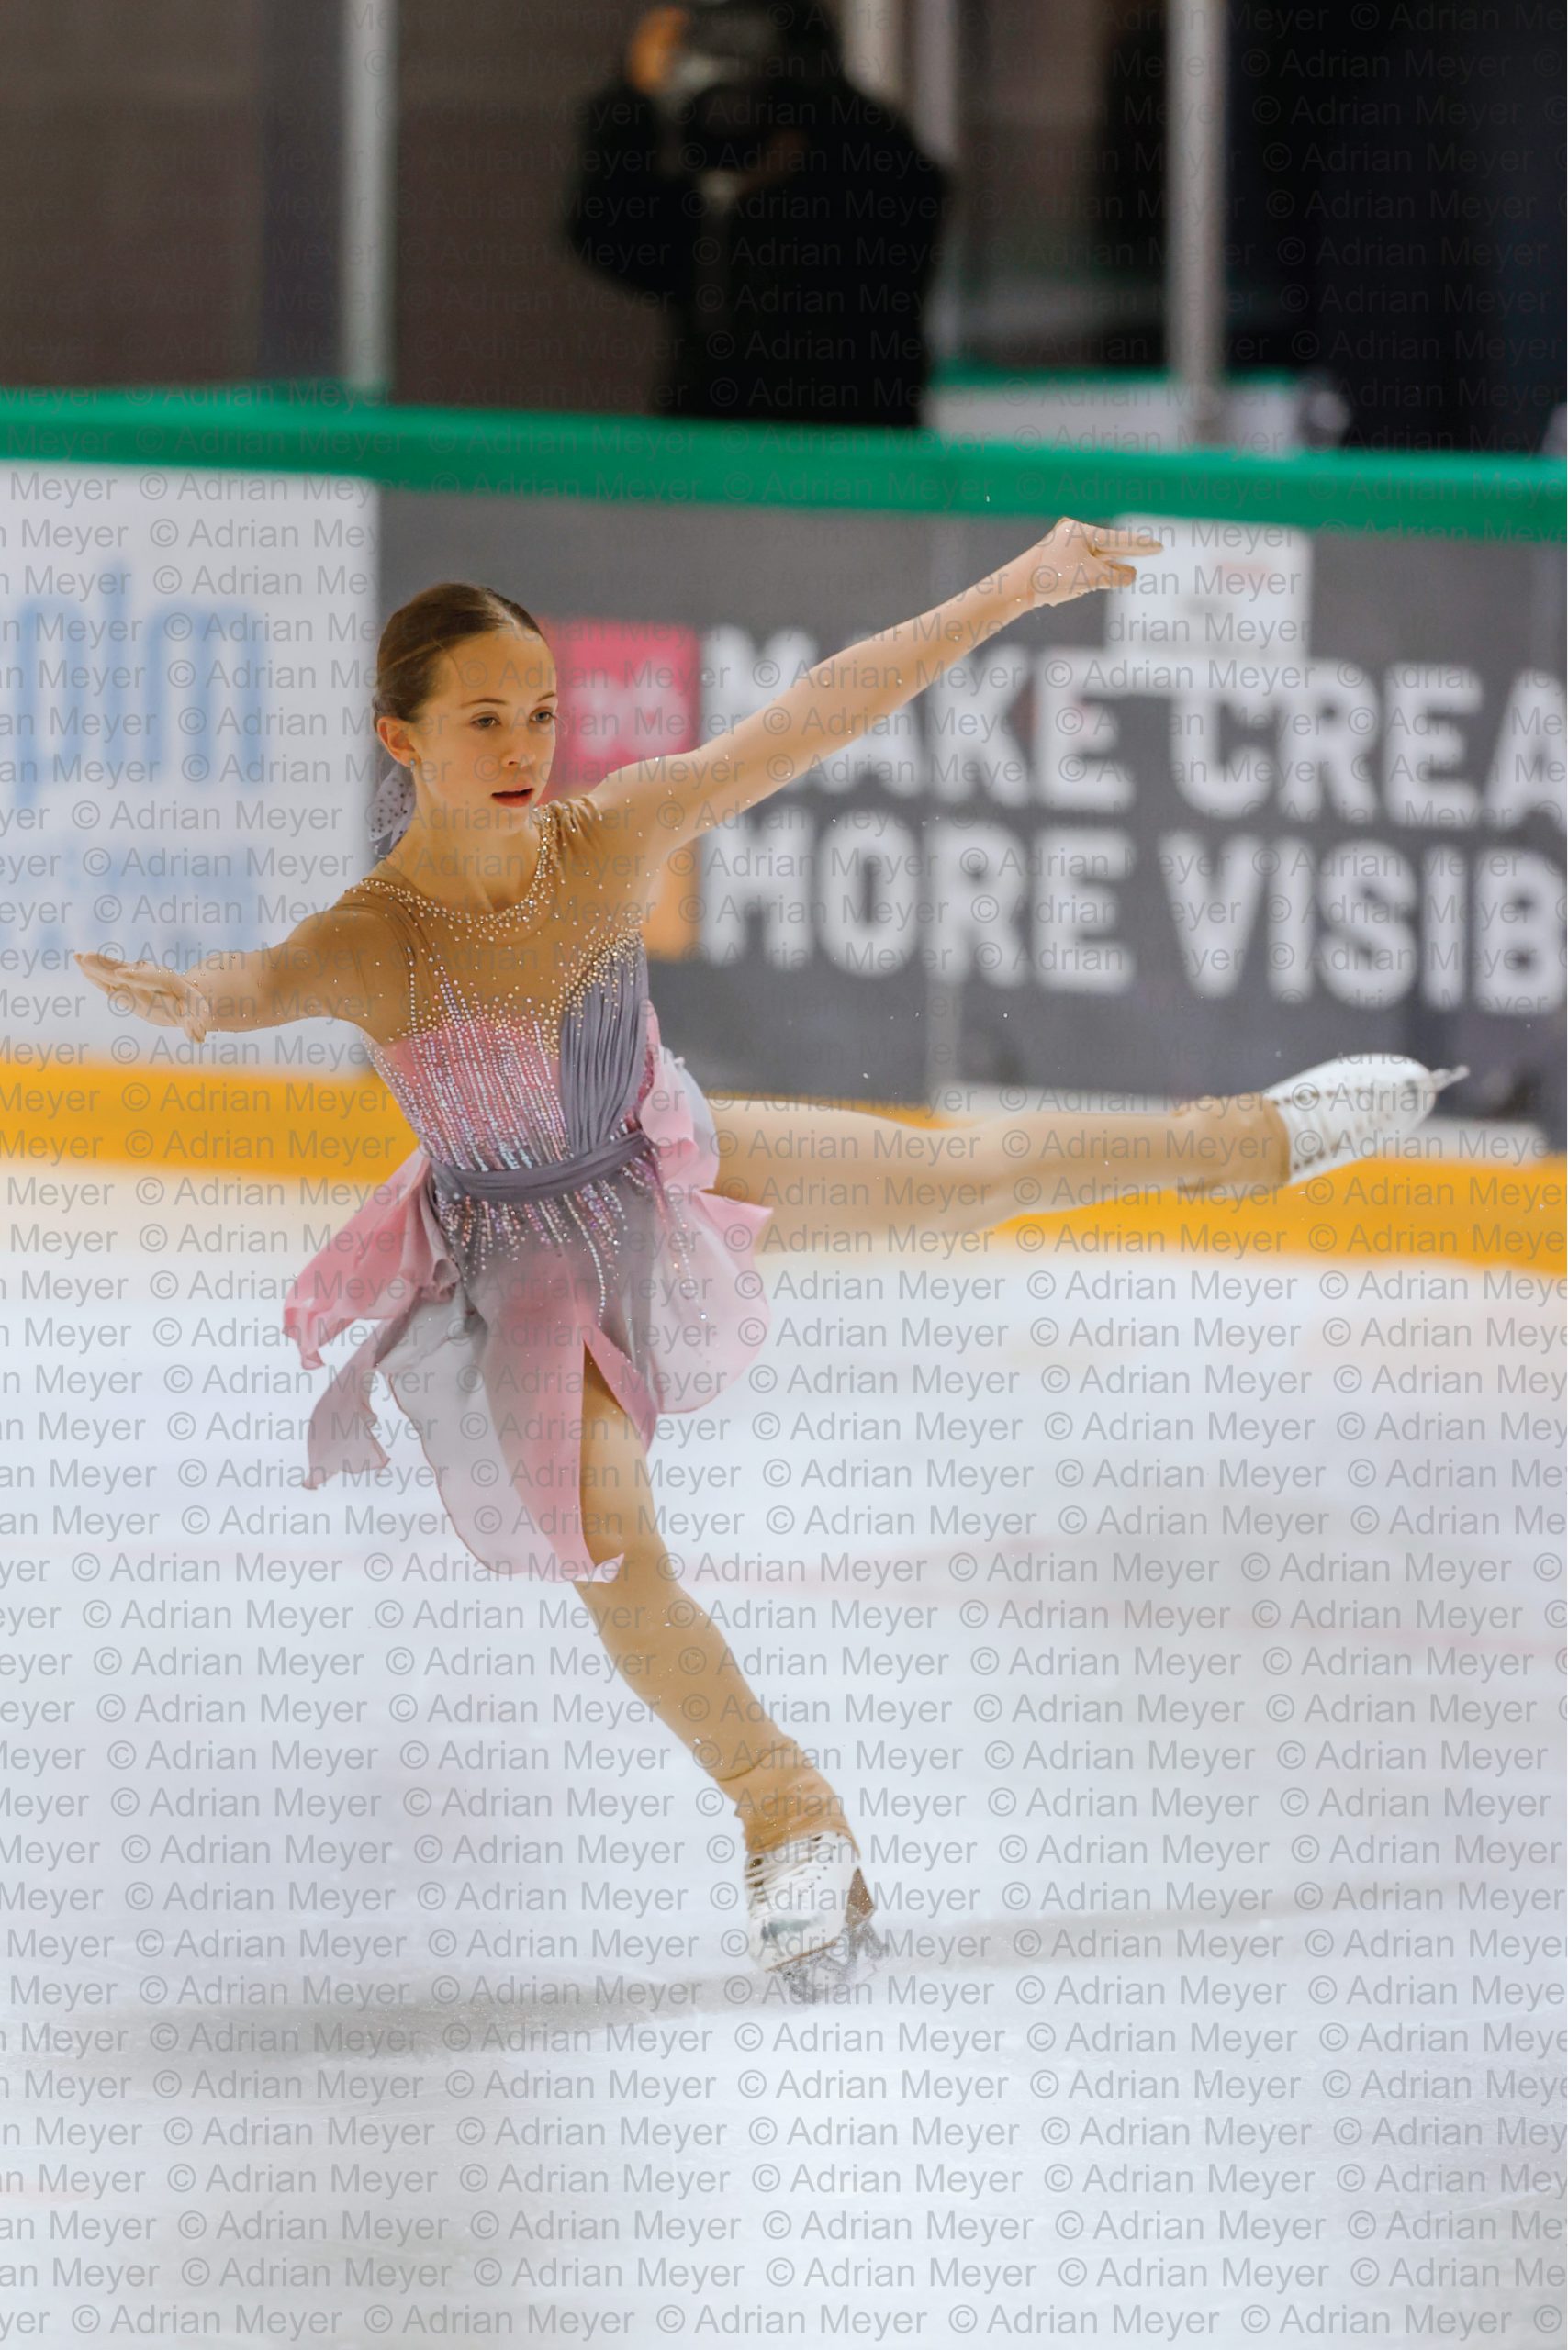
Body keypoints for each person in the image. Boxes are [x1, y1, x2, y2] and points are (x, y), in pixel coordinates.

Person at [75, 523, 1461, 1998]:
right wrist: (198, 1000)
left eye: (541, 710)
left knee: (970, 1177)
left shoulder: (604, 840)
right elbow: (264, 977)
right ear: (398, 737)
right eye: (483, 717)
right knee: (615, 1549)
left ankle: (1261, 1136)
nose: (523, 745)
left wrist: (1017, 586)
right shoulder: (376, 941)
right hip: (525, 1279)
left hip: (662, 1162)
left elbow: (820, 711)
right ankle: (786, 1813)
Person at [561, 0, 949, 429]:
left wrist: (810, 110)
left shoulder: (868, 191)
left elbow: (912, 192)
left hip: (852, 454)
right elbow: (599, 227)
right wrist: (631, 100)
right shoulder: (704, 213)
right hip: (708, 456)